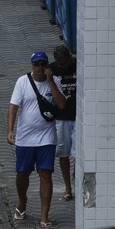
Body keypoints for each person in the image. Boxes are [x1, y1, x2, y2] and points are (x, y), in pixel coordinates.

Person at [8, 51, 66, 229]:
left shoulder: (54, 82)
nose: (40, 67)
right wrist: (10, 130)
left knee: (45, 174)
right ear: (32, 66)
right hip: (25, 138)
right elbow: (13, 107)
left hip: (46, 138)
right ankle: (22, 201)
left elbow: (62, 105)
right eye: (37, 64)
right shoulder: (22, 82)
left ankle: (44, 216)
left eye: (43, 64)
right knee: (22, 174)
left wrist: (50, 81)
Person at [49, 44, 77, 202]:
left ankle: (78, 182)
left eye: (65, 63)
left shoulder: (79, 65)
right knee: (63, 154)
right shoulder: (52, 70)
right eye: (60, 64)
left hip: (79, 118)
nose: (63, 66)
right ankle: (68, 188)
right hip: (61, 119)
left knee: (80, 154)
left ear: (70, 57)